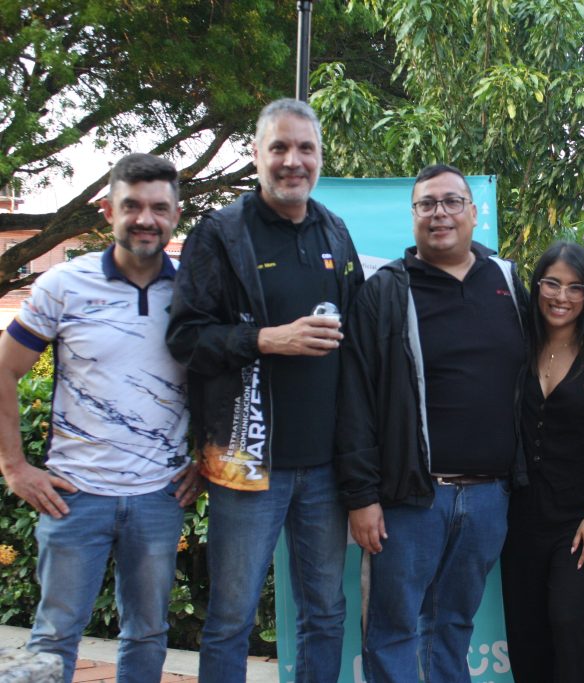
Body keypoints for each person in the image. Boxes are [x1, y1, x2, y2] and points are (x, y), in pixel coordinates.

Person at [166, 98, 363, 683]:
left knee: (325, 613)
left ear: (320, 156)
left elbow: (358, 342)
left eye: (305, 148)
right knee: (232, 618)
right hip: (246, 463)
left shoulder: (334, 230)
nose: (292, 161)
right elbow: (185, 339)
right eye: (279, 147)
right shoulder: (221, 234)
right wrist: (266, 340)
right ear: (256, 154)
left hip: (325, 468)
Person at [0, 153, 200, 683]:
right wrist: (14, 467)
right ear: (109, 211)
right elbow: (4, 369)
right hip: (74, 494)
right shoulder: (64, 284)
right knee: (54, 634)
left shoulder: (194, 292)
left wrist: (205, 457)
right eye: (131, 206)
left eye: (159, 208)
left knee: (148, 632)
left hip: (159, 496)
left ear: (176, 215)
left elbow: (220, 379)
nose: (145, 219)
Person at [339, 163, 528, 683]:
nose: (439, 213)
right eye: (427, 204)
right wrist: (361, 496)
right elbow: (354, 400)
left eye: (451, 202)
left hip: (489, 498)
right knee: (393, 630)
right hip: (410, 501)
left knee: (453, 627)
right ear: (414, 215)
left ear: (473, 212)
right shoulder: (385, 290)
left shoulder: (507, 281)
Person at [500, 241, 584, 683]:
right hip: (519, 517)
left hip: (579, 520)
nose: (562, 296)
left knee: (567, 617)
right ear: (537, 286)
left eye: (575, 287)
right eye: (552, 284)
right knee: (526, 631)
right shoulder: (519, 344)